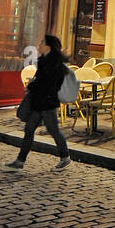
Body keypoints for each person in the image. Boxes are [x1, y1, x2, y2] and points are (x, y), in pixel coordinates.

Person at [5, 34, 71, 173]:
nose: (39, 44)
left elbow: (48, 84)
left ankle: (65, 157)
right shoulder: (43, 60)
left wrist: (31, 86)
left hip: (47, 103)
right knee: (29, 129)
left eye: (42, 42)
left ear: (48, 46)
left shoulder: (54, 63)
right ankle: (20, 161)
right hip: (39, 101)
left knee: (53, 130)